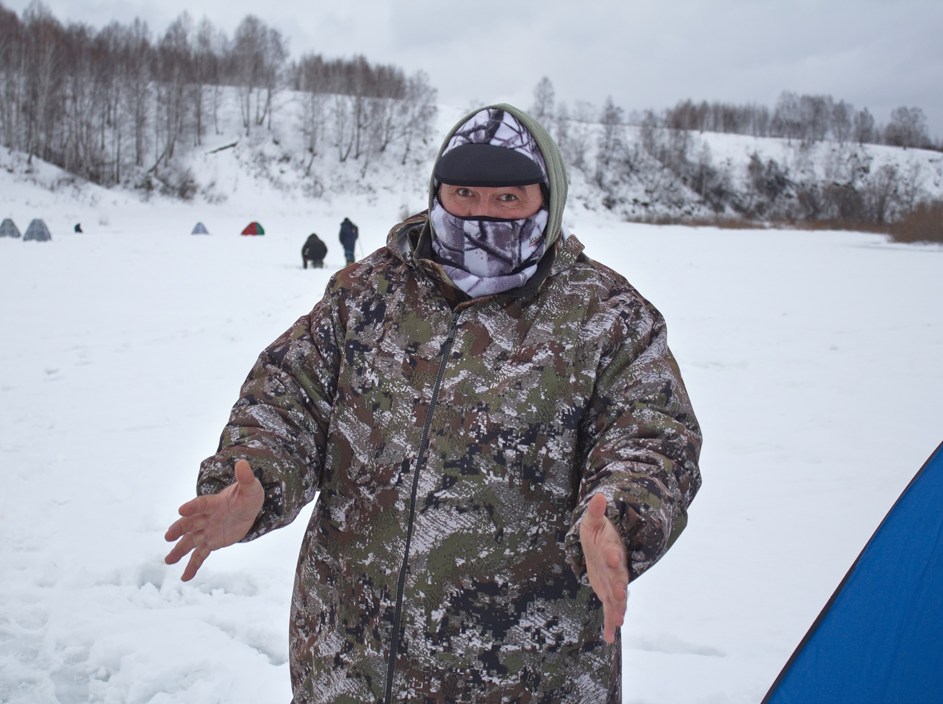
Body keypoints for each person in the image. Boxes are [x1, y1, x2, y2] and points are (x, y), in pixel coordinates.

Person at [165, 105, 702, 703]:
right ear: (437, 192)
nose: (479, 213)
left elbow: (652, 436)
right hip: (348, 668)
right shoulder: (364, 295)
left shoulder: (606, 315)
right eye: (465, 192)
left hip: (530, 676)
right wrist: (255, 479)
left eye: (507, 199)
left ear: (546, 199)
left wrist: (622, 521)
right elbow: (287, 399)